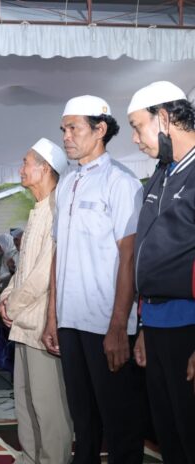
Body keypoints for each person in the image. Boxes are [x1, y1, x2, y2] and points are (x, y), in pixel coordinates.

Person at [42, 95, 145, 464]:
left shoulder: (121, 182)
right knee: (83, 423)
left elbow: (129, 256)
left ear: (100, 130)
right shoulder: (68, 182)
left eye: (74, 128)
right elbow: (60, 253)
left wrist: (118, 326)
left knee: (120, 424)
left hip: (106, 325)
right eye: (63, 129)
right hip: (70, 323)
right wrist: (53, 317)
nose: (66, 136)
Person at [127, 81, 195, 463]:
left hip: (189, 328)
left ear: (164, 118)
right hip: (156, 326)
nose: (135, 138)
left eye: (138, 127)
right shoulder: (161, 174)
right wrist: (144, 327)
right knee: (168, 436)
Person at [0, 138, 72, 464]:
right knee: (25, 401)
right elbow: (22, 269)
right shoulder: (37, 210)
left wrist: (11, 307)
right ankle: (29, 458)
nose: (21, 169)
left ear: (44, 169)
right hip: (22, 323)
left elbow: (44, 273)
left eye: (25, 163)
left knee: (48, 405)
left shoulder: (58, 209)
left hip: (43, 323)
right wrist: (5, 298)